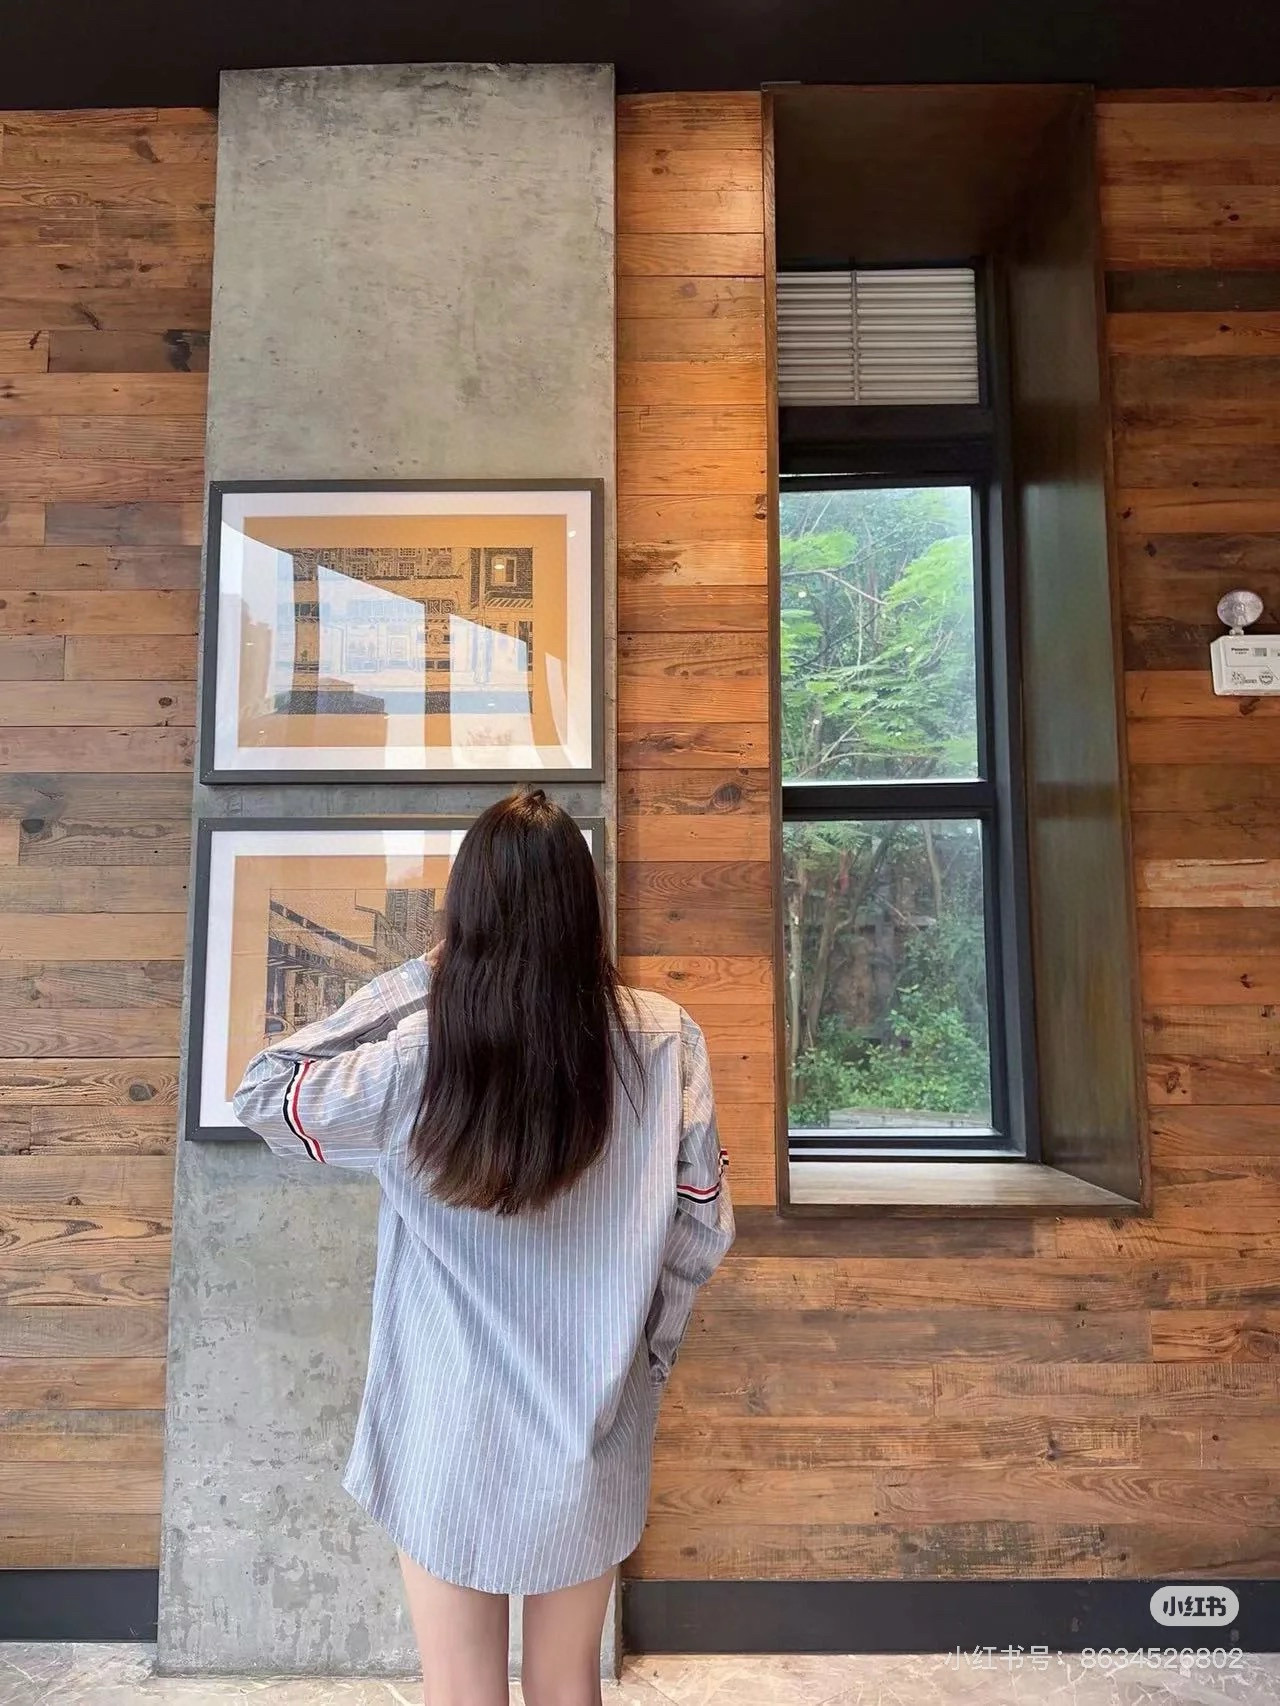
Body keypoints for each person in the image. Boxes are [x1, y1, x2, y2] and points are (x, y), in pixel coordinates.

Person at [232, 788, 734, 1706]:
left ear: (464, 913)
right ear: (583, 909)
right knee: (567, 1685)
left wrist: (421, 976)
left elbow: (267, 1093)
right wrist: (645, 1365)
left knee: (461, 1690)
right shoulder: (665, 1041)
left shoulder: (418, 1051)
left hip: (445, 1427)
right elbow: (701, 1227)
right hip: (594, 1418)